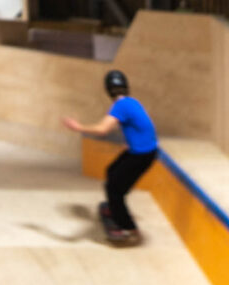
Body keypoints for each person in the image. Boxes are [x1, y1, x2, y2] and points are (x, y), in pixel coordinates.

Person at [62, 70, 158, 244]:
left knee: (113, 190)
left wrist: (78, 127)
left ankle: (130, 229)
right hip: (146, 151)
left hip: (141, 155)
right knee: (112, 171)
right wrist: (132, 142)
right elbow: (143, 125)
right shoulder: (132, 102)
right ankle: (117, 208)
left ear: (107, 90)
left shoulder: (120, 106)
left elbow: (103, 129)